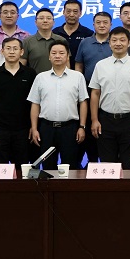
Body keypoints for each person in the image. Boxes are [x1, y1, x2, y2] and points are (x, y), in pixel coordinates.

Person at [89, 27, 130, 169]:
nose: (118, 43)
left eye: (122, 40)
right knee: (107, 165)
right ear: (109, 43)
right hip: (105, 120)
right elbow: (95, 93)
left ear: (129, 43)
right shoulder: (100, 65)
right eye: (114, 40)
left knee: (128, 164)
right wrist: (94, 120)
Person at [28, 40, 88, 170]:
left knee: (70, 167)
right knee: (48, 167)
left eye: (61, 53)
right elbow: (35, 104)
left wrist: (82, 127)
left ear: (67, 56)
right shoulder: (41, 77)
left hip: (70, 128)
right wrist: (34, 128)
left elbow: (83, 102)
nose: (57, 56)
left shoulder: (78, 77)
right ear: (49, 56)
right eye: (54, 53)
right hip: (47, 129)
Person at [0, 37, 37, 173]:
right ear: (2, 51)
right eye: (8, 48)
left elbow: (34, 103)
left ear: (21, 52)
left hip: (23, 130)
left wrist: (33, 127)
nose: (12, 52)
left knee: (22, 171)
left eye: (15, 49)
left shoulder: (30, 74)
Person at [75, 11, 113, 166]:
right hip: (89, 90)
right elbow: (79, 65)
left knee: (106, 128)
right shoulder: (85, 43)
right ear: (93, 25)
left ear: (111, 24)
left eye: (105, 22)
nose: (102, 25)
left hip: (111, 91)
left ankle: (106, 162)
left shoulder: (115, 42)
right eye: (98, 22)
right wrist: (79, 85)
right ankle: (91, 161)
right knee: (90, 126)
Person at [21, 8, 67, 74]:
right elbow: (22, 65)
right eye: (41, 18)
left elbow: (67, 63)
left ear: (53, 22)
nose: (45, 21)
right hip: (35, 79)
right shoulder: (27, 41)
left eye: (48, 18)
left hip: (59, 79)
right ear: (35, 22)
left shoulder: (61, 40)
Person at [53, 0, 94, 70]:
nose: (71, 15)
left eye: (75, 11)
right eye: (68, 11)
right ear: (63, 12)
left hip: (82, 74)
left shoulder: (88, 34)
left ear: (80, 13)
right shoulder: (55, 33)